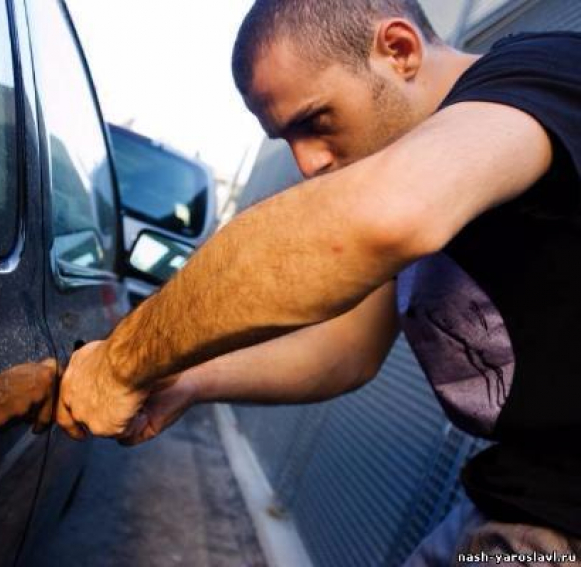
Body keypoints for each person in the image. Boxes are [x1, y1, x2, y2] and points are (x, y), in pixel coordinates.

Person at [57, 0, 581, 562]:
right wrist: (188, 378)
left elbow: (383, 216)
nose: (307, 164)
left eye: (315, 121)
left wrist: (121, 362)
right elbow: (345, 351)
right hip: (513, 501)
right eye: (286, 138)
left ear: (399, 50)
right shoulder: (412, 169)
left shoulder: (547, 72)